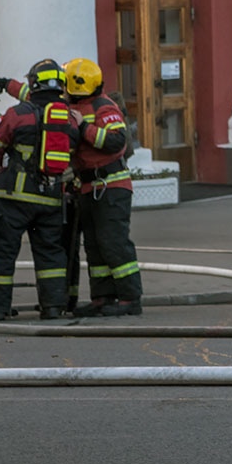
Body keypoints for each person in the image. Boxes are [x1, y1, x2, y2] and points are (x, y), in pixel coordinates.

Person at [0, 59, 81, 322]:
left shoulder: (17, 114)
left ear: (34, 83)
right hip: (51, 197)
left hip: (14, 198)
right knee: (51, 253)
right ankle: (53, 307)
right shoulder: (68, 118)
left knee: (1, 251)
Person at [61, 58, 142, 318]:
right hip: (87, 186)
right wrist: (5, 84)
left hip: (111, 185)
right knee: (94, 246)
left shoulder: (105, 107)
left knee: (114, 243)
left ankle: (130, 298)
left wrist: (84, 127)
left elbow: (116, 141)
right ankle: (102, 297)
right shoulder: (71, 105)